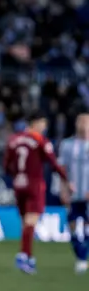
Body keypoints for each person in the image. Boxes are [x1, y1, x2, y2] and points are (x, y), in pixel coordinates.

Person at [4, 112, 71, 275]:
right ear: (35, 123)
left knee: (25, 222)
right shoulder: (40, 140)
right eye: (43, 123)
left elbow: (6, 165)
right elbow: (54, 163)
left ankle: (28, 256)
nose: (44, 127)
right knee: (31, 221)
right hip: (34, 185)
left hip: (19, 184)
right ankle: (23, 255)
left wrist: (17, 176)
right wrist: (67, 180)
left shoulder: (14, 139)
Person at [57, 113, 89, 273]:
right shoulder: (67, 145)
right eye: (80, 121)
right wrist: (63, 189)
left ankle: (83, 257)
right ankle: (80, 255)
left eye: (86, 122)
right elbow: (62, 169)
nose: (83, 125)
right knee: (72, 225)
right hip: (73, 193)